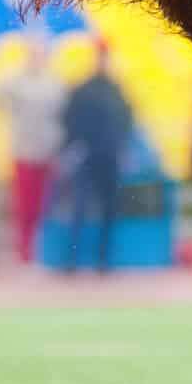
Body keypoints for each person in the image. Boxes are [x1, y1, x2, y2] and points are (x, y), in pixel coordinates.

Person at [0, 39, 66, 263]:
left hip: (48, 153)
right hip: (24, 152)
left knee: (44, 207)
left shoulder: (55, 84)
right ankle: (25, 252)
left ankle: (42, 251)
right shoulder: (15, 81)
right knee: (25, 206)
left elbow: (64, 116)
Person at [58, 38, 133, 272]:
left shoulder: (115, 89)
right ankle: (72, 260)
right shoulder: (83, 88)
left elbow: (126, 121)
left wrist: (121, 148)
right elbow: (69, 120)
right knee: (79, 208)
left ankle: (103, 260)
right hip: (87, 154)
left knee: (108, 208)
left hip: (108, 156)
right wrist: (74, 146)